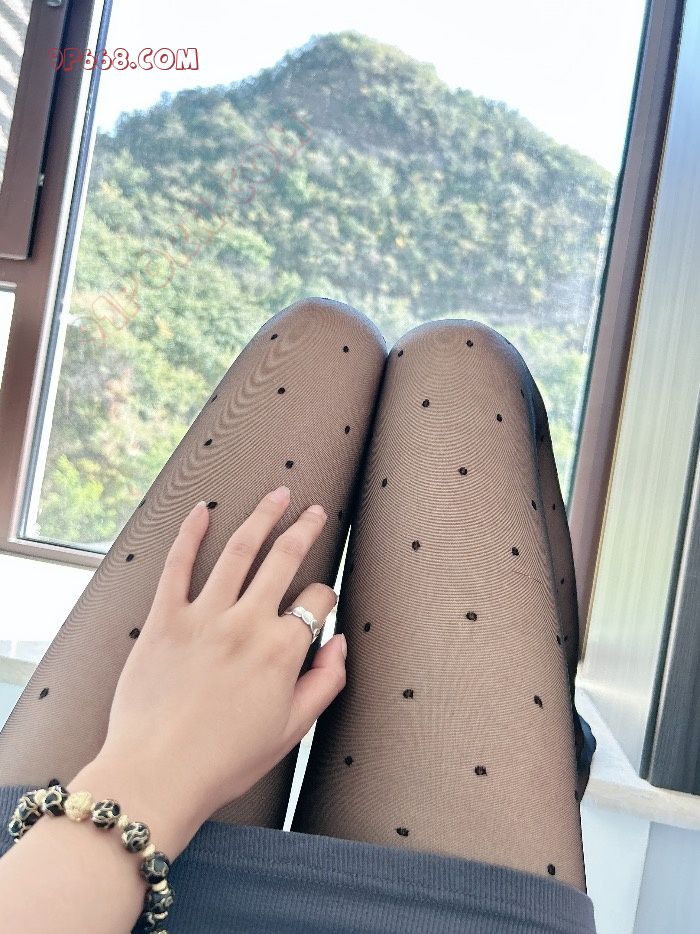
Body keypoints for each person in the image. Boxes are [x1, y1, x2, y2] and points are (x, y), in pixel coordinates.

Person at [0, 298, 597, 933]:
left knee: (328, 338)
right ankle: (555, 737)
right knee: (463, 360)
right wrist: (155, 765)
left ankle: (552, 739)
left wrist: (154, 752)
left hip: (39, 861)